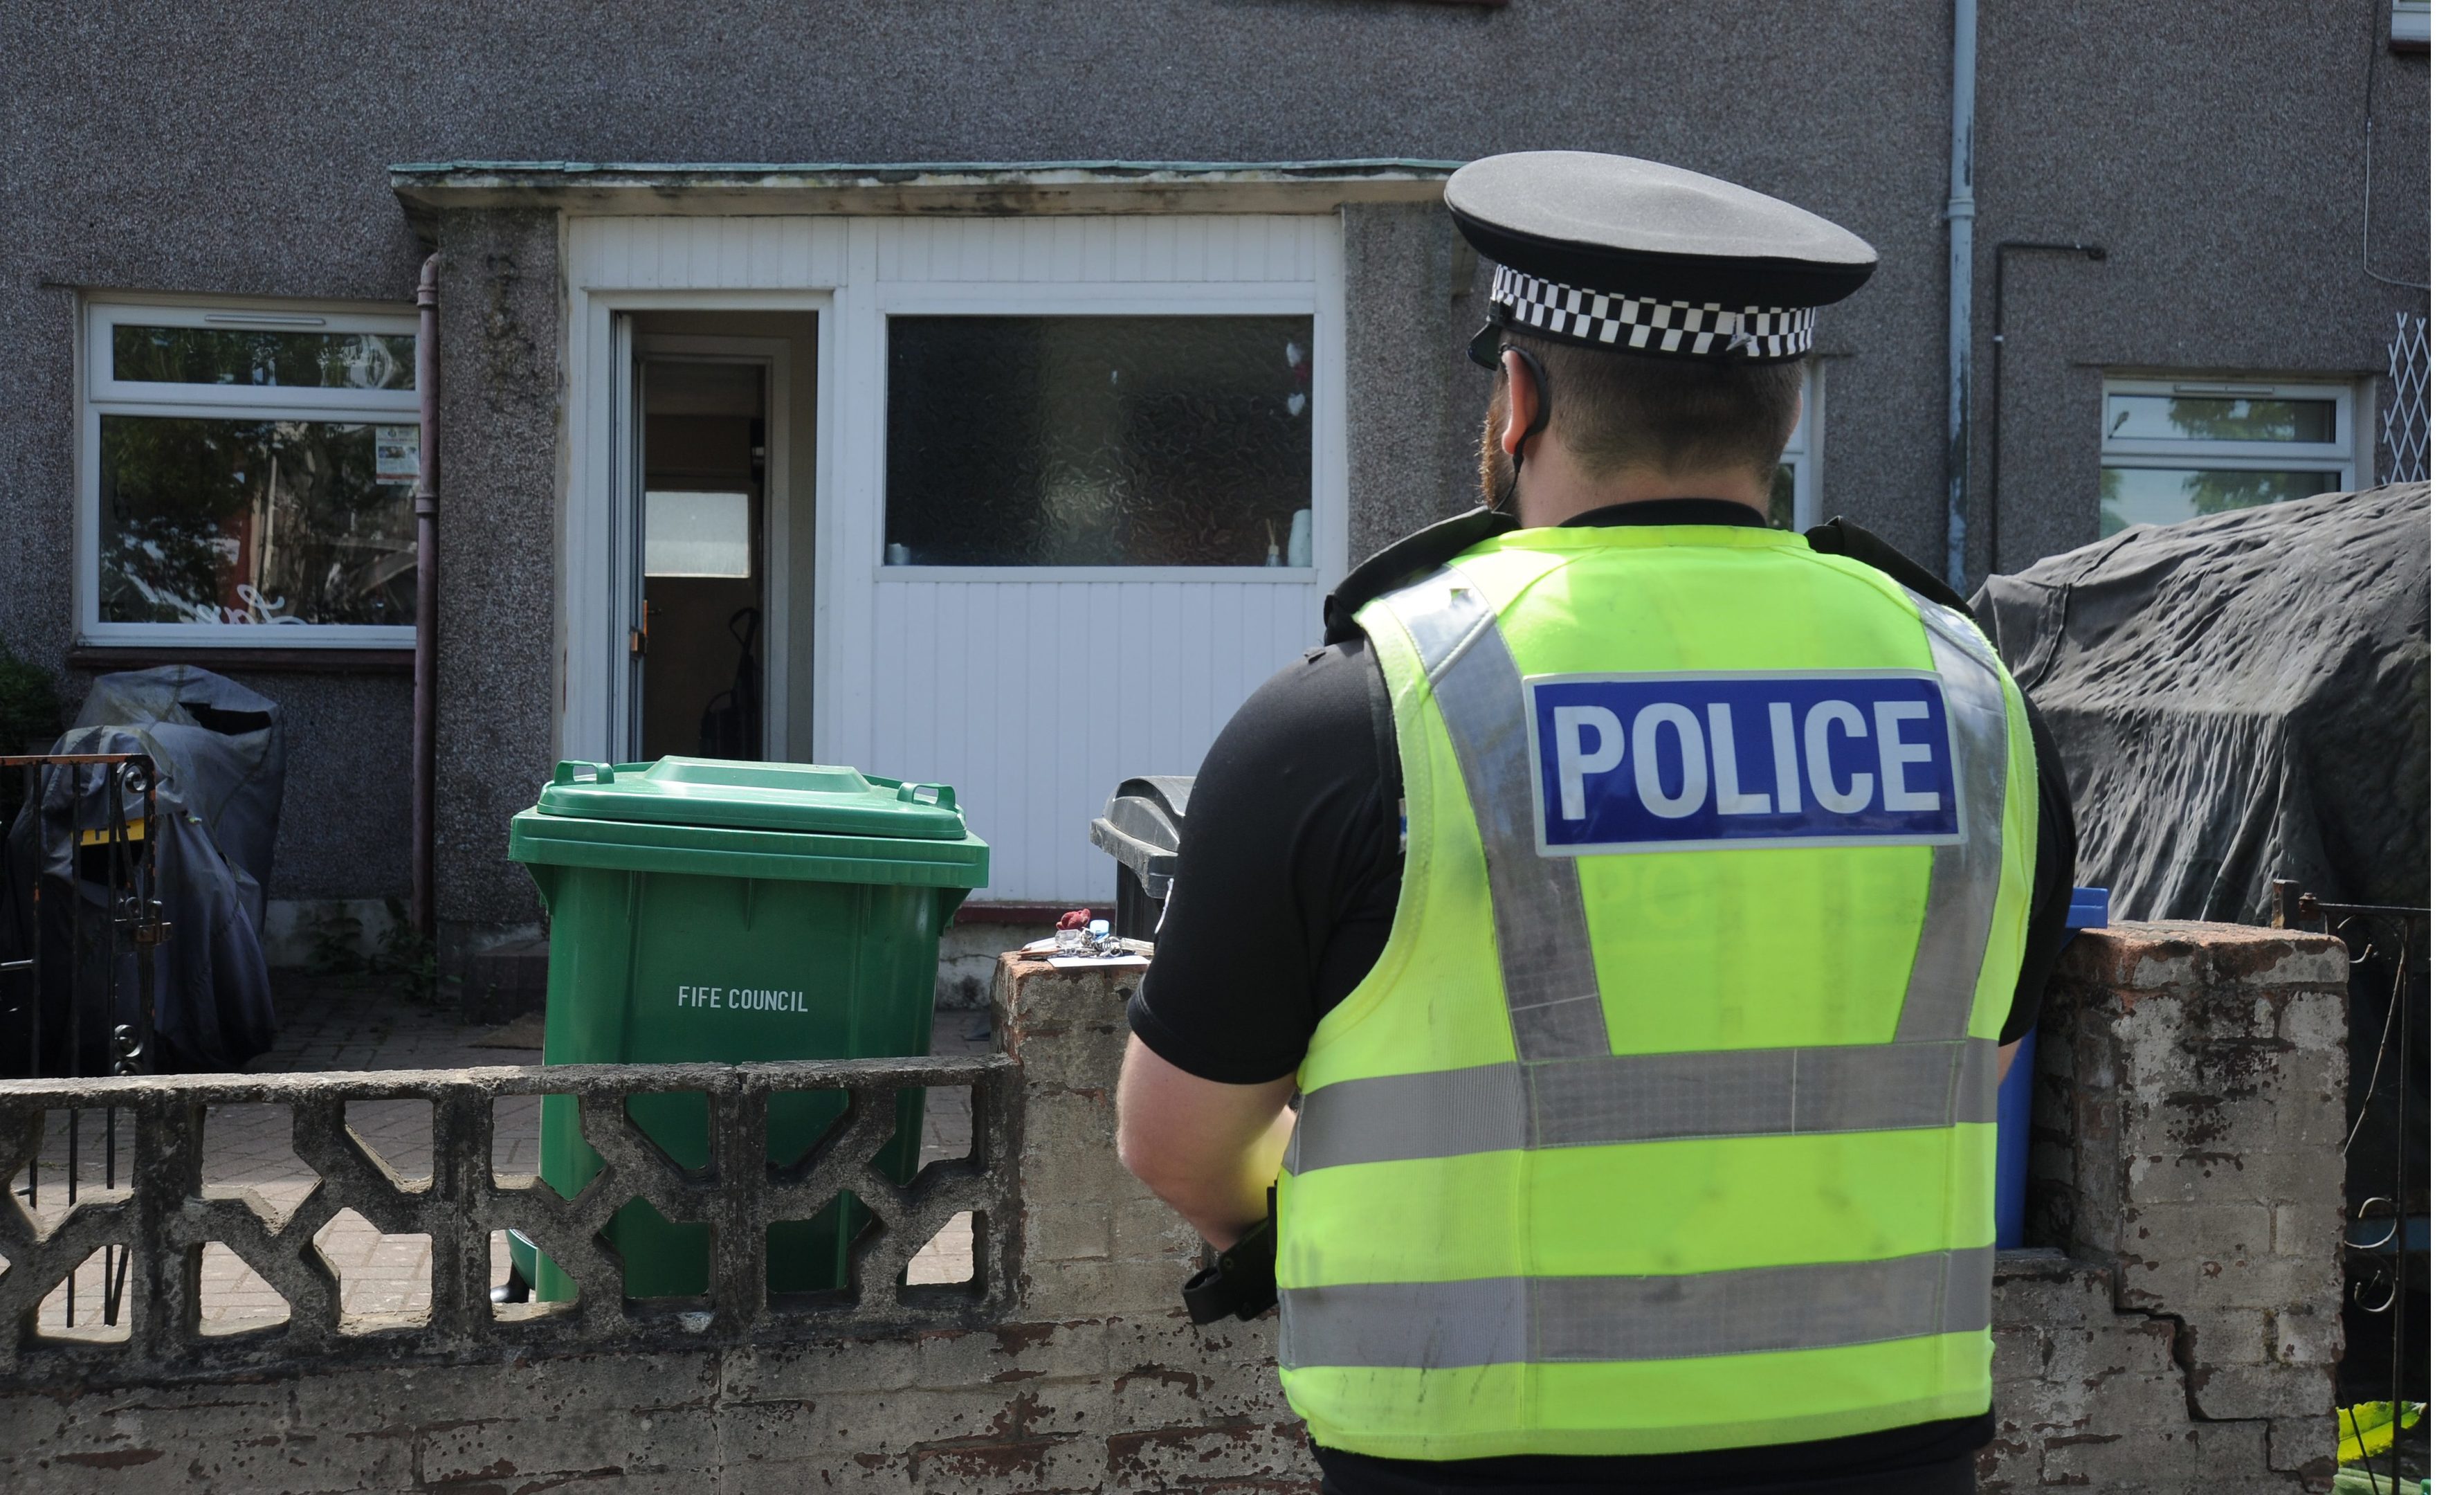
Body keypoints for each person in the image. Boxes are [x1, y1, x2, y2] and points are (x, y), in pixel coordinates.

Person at [1115, 150, 2078, 1495]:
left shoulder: (1358, 718)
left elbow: (1179, 1144)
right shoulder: (1977, 708)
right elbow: (1941, 1074)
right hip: (1883, 1458)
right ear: (1781, 419)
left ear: (1515, 399)